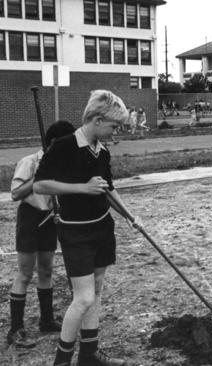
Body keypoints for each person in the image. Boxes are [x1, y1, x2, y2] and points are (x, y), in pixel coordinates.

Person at [33, 90, 138, 366]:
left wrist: (129, 214)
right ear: (97, 119)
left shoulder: (102, 151)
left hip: (102, 228)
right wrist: (82, 188)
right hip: (76, 232)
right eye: (114, 126)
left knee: (98, 291)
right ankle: (62, 361)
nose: (116, 132)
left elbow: (108, 189)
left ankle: (89, 355)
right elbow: (40, 185)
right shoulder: (64, 146)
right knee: (83, 298)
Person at [7, 120, 75, 349]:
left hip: (49, 219)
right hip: (30, 217)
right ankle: (15, 329)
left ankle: (46, 320)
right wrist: (38, 178)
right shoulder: (30, 162)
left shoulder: (62, 164)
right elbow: (15, 194)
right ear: (53, 142)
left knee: (46, 270)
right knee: (25, 274)